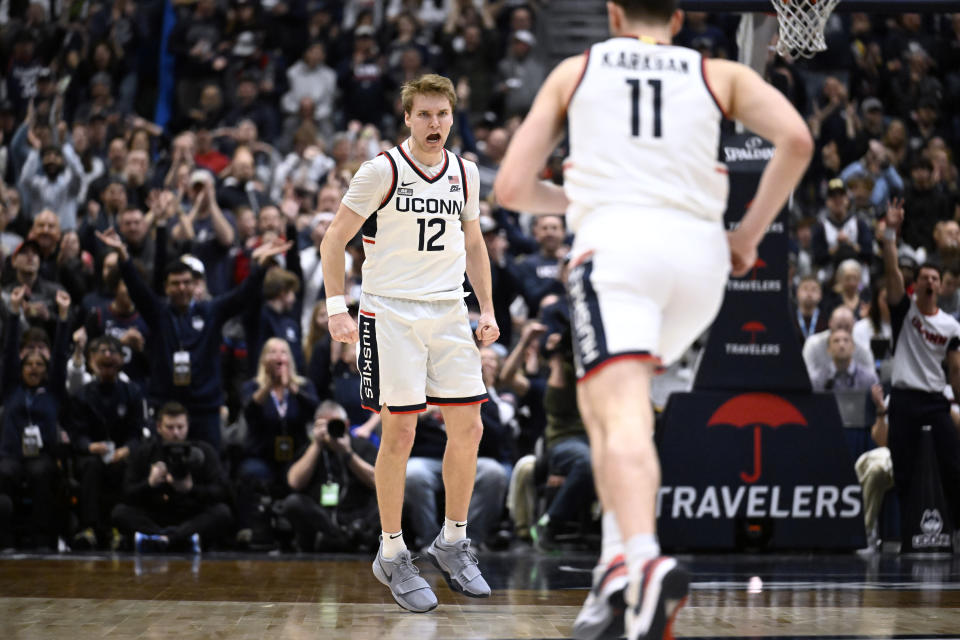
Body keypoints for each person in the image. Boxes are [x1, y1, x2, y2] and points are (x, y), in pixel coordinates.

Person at [493, 2, 813, 639]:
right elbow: (798, 142)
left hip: (618, 254)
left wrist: (575, 199)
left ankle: (642, 563)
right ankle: (614, 568)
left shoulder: (575, 71)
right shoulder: (717, 73)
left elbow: (509, 189)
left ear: (612, 14)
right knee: (623, 416)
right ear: (677, 16)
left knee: (620, 419)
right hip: (698, 268)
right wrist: (747, 234)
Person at [320, 73, 499, 613]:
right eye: (424, 114)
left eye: (442, 114)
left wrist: (487, 308)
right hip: (390, 310)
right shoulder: (382, 170)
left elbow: (474, 243)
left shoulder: (465, 173)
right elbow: (334, 240)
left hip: (447, 309)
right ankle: (392, 552)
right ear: (407, 118)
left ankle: (451, 541)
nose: (434, 123)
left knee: (470, 426)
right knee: (399, 431)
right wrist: (335, 309)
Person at [95, 228, 291, 449]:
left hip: (205, 408)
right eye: (175, 283)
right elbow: (138, 290)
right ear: (166, 287)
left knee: (210, 466)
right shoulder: (158, 312)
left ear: (194, 285)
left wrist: (261, 267)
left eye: (187, 282)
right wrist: (123, 255)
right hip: (166, 407)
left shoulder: (211, 311)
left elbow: (242, 297)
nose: (182, 288)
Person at [880, 199, 960, 554]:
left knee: (954, 465)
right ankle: (907, 535)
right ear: (917, 286)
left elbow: (955, 366)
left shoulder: (951, 324)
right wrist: (889, 235)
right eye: (924, 277)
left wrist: (956, 397)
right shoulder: (904, 311)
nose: (929, 281)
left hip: (934, 400)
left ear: (942, 286)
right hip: (904, 399)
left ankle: (956, 531)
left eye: (934, 277)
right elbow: (893, 272)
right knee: (904, 469)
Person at [111, 401, 235, 552]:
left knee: (222, 513)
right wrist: (149, 484)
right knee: (120, 512)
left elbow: (222, 491)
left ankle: (162, 539)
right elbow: (126, 493)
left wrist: (191, 489)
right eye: (170, 427)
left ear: (187, 427)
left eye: (180, 427)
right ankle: (179, 539)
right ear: (158, 427)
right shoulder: (145, 452)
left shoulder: (203, 451)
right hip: (154, 515)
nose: (175, 433)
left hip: (190, 515)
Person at [282, 401, 379, 552]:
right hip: (324, 518)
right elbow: (294, 482)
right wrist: (316, 445)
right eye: (324, 425)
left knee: (396, 501)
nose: (330, 430)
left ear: (347, 424)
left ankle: (353, 538)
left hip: (359, 516)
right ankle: (338, 538)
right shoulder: (310, 449)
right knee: (292, 502)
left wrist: (347, 454)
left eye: (335, 424)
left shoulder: (362, 446)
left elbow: (379, 482)